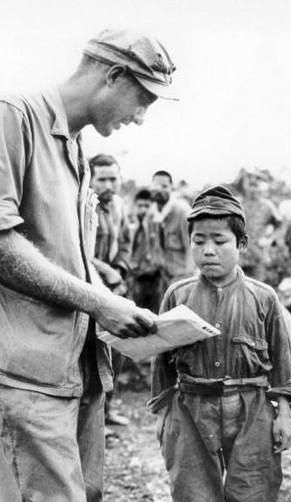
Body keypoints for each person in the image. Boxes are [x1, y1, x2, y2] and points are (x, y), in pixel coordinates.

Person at [0, 29, 175, 502]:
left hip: (78, 369)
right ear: (113, 75)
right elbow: (3, 246)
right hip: (27, 377)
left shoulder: (76, 148)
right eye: (143, 100)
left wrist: (118, 306)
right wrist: (100, 303)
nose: (140, 118)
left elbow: (64, 257)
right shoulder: (13, 118)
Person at [149, 185, 291, 502]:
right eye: (198, 241)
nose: (208, 250)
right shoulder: (177, 295)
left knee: (253, 490)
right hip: (191, 406)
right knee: (193, 492)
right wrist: (163, 415)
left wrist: (284, 415)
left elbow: (283, 364)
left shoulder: (264, 297)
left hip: (251, 408)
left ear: (241, 243)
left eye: (219, 241)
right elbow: (161, 361)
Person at [90, 153, 132, 429]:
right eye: (102, 179)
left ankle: (107, 410)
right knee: (91, 353)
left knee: (116, 348)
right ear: (91, 180)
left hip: (114, 287)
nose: (108, 185)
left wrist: (120, 271)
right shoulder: (83, 205)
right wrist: (105, 270)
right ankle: (93, 420)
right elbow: (78, 248)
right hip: (87, 286)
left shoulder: (119, 206)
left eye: (113, 179)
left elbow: (126, 241)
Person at [147, 169, 194, 310]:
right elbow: (152, 245)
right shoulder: (152, 214)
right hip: (163, 275)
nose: (159, 190)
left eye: (164, 186)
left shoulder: (182, 212)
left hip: (182, 275)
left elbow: (191, 247)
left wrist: (189, 279)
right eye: (156, 186)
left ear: (171, 188)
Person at [128, 188, 159, 310]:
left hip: (154, 276)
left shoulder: (156, 224)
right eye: (140, 206)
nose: (143, 210)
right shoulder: (130, 224)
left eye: (147, 206)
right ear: (134, 206)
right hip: (135, 275)